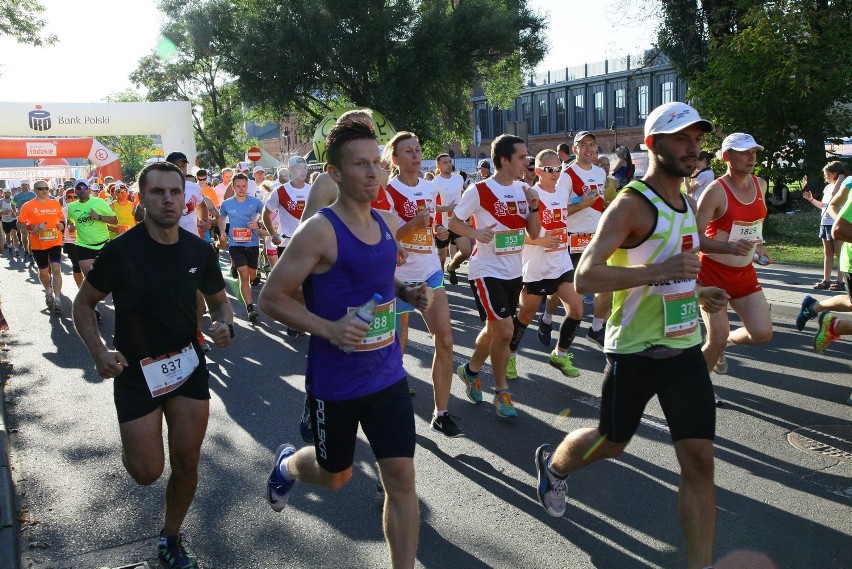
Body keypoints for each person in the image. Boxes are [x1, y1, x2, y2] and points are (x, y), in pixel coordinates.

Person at [534, 101, 732, 569]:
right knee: (612, 442)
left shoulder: (685, 202)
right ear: (653, 145)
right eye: (681, 138)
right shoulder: (632, 204)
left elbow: (671, 273)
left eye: (697, 139)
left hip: (683, 349)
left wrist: (698, 291)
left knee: (700, 462)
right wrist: (662, 272)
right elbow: (586, 277)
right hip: (635, 351)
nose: (692, 148)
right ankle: (556, 465)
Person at [259, 117, 431, 569]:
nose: (373, 173)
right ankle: (286, 467)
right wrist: (330, 329)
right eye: (360, 165)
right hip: (335, 382)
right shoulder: (319, 230)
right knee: (335, 476)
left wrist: (405, 291)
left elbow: (373, 279)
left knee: (401, 478)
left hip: (387, 374)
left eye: (376, 163)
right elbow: (271, 298)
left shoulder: (383, 222)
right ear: (334, 173)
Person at [72, 160, 234, 569]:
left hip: (186, 363)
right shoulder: (121, 251)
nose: (167, 199)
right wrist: (98, 352)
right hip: (135, 370)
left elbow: (219, 301)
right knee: (147, 472)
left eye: (174, 192)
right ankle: (135, 445)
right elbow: (83, 304)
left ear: (185, 198)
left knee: (186, 462)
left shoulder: (199, 250)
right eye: (157, 192)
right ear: (141, 198)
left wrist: (224, 325)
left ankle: (171, 537)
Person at [448, 134, 541, 418]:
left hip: (514, 271)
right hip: (485, 271)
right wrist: (475, 233)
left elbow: (534, 233)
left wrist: (535, 206)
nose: (528, 161)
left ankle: (470, 371)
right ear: (505, 160)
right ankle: (502, 393)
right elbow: (453, 220)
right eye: (522, 157)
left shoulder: (524, 190)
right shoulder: (479, 190)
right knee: (504, 330)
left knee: (493, 329)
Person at [383, 132, 461, 437]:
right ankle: (391, 407)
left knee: (444, 339)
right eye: (408, 152)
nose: (416, 156)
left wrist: (438, 231)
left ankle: (441, 413)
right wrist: (411, 226)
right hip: (397, 280)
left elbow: (432, 228)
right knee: (395, 345)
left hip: (429, 273)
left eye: (418, 150)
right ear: (395, 159)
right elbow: (384, 237)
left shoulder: (430, 189)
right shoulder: (388, 192)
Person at [696, 133, 773, 388]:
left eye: (754, 151)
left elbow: (755, 225)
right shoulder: (715, 191)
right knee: (716, 338)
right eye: (743, 152)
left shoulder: (760, 184)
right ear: (727, 157)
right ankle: (696, 392)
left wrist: (759, 247)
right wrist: (727, 247)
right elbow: (693, 239)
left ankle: (724, 344)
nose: (751, 157)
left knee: (762, 333)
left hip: (744, 274)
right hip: (712, 273)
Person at [507, 149, 585, 378]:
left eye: (558, 168)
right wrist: (541, 240)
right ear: (539, 170)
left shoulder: (562, 192)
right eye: (550, 169)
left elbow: (564, 214)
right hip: (536, 266)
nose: (555, 173)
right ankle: (510, 356)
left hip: (560, 262)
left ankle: (559, 356)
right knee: (526, 315)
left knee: (577, 309)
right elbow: (516, 233)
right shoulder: (530, 195)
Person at [559, 131, 610, 348]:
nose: (589, 148)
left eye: (592, 144)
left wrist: (605, 208)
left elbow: (598, 201)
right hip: (572, 238)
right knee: (570, 295)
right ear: (575, 149)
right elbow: (557, 211)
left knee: (606, 286)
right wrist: (582, 205)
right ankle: (547, 318)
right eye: (584, 145)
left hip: (596, 237)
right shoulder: (566, 176)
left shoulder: (600, 173)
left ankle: (597, 328)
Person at [218, 173, 265, 322]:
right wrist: (222, 232)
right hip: (235, 244)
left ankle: (250, 279)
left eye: (244, 186)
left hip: (252, 243)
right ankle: (250, 307)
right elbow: (221, 218)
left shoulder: (256, 202)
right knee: (243, 274)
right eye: (238, 186)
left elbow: (267, 216)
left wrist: (258, 224)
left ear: (247, 186)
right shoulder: (227, 204)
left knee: (251, 275)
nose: (241, 189)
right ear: (233, 187)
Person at [16, 180, 66, 311]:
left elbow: (61, 220)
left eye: (46, 188)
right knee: (44, 272)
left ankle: (58, 299)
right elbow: (19, 224)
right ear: (34, 191)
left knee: (56, 269)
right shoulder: (28, 206)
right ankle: (48, 290)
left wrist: (62, 225)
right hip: (38, 243)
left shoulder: (55, 203)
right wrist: (30, 227)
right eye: (40, 189)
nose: (44, 191)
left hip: (55, 241)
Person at [802, 161, 847, 290]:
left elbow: (835, 195)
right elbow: (823, 205)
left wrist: (841, 178)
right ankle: (826, 280)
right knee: (827, 253)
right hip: (825, 223)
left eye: (827, 173)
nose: (825, 176)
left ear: (835, 174)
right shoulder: (827, 188)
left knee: (840, 253)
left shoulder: (843, 186)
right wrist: (811, 199)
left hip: (836, 222)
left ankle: (840, 282)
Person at [66, 179, 118, 278]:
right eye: (79, 188)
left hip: (103, 244)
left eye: (84, 187)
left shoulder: (99, 202)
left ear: (89, 189)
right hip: (84, 246)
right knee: (91, 278)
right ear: (75, 190)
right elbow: (70, 221)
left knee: (109, 276)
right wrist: (70, 226)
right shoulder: (71, 207)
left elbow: (115, 220)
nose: (82, 190)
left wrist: (99, 217)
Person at [433, 153, 471, 285]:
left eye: (450, 162)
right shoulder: (435, 182)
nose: (449, 164)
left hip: (457, 221)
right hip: (442, 224)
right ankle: (440, 282)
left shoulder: (459, 178)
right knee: (442, 258)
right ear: (438, 165)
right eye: (445, 162)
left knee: (466, 251)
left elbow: (461, 195)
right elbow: (431, 206)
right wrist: (447, 208)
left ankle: (452, 267)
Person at [61, 187, 83, 288]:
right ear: (66, 199)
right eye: (70, 197)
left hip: (86, 241)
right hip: (70, 242)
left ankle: (88, 288)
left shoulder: (85, 209)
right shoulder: (62, 212)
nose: (73, 199)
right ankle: (81, 290)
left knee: (88, 267)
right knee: (77, 266)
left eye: (75, 197)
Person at [13, 180, 37, 264]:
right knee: (24, 235)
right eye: (23, 185)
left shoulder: (33, 195)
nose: (25, 186)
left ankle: (30, 254)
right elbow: (12, 203)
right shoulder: (17, 196)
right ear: (21, 186)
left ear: (28, 186)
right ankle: (26, 251)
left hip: (32, 217)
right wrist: (15, 211)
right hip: (22, 217)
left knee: (30, 236)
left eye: (26, 185)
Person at [1, 188, 20, 259]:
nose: (7, 194)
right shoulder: (1, 201)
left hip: (13, 220)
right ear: (4, 193)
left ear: (10, 193)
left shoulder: (13, 200)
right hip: (5, 221)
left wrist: (14, 213)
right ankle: (9, 247)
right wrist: (4, 212)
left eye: (8, 193)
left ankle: (17, 249)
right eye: (5, 193)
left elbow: (17, 209)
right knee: (8, 236)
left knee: (14, 234)